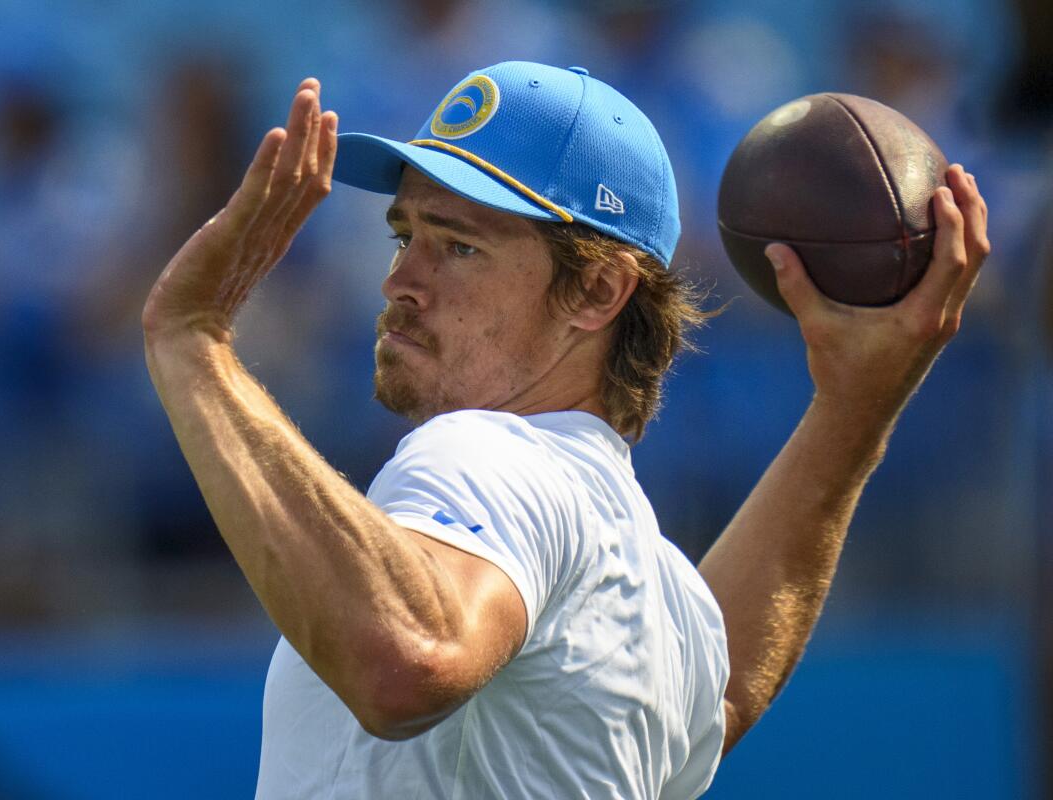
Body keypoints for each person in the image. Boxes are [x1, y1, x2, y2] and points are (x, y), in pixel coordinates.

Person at [140, 62, 990, 798]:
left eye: (459, 246)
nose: (402, 278)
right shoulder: (642, 568)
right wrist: (854, 408)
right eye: (405, 233)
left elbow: (409, 654)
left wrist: (196, 346)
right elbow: (720, 693)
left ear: (596, 294)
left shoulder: (487, 454)